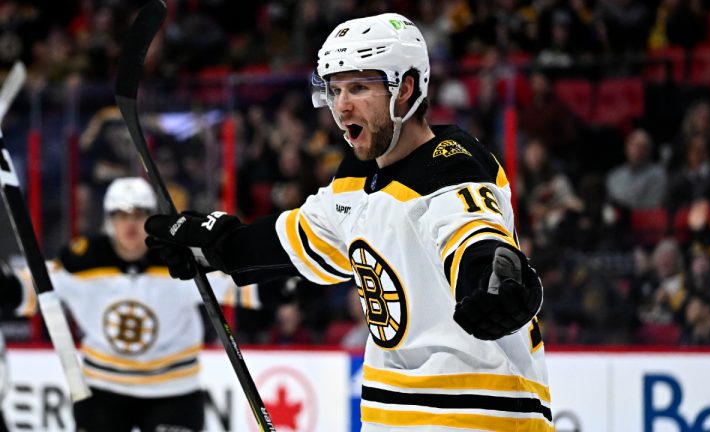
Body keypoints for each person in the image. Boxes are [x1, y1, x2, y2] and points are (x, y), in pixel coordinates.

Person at [145, 12, 552, 431]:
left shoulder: (452, 167)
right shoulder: (355, 183)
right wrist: (210, 245)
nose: (341, 105)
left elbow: (474, 238)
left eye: (359, 87)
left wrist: (495, 280)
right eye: (335, 89)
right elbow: (293, 242)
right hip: (392, 414)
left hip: (478, 414)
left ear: (405, 89)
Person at [1, 177, 260, 432]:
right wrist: (6, 287)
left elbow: (237, 285)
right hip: (104, 391)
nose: (130, 224)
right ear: (109, 219)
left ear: (150, 217)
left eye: (138, 214)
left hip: (174, 391)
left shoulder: (178, 260)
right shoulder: (81, 262)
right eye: (121, 215)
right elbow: (33, 290)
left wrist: (282, 283)